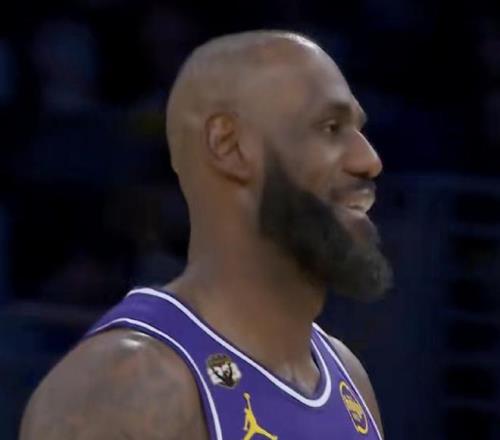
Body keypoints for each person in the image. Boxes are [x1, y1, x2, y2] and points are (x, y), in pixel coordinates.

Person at [20, 30, 393, 440]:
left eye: (359, 131)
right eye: (330, 127)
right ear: (229, 145)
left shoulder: (348, 377)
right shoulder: (126, 389)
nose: (369, 159)